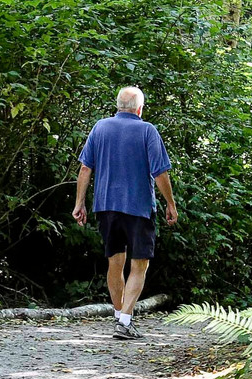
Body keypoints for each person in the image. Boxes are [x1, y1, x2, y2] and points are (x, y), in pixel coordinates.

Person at [72, 86, 177, 340]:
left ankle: (120, 316)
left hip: (106, 206)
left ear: (118, 106)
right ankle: (126, 321)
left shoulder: (100, 128)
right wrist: (170, 204)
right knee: (139, 263)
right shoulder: (147, 130)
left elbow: (86, 169)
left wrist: (80, 203)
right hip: (138, 207)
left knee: (114, 262)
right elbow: (160, 172)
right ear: (139, 108)